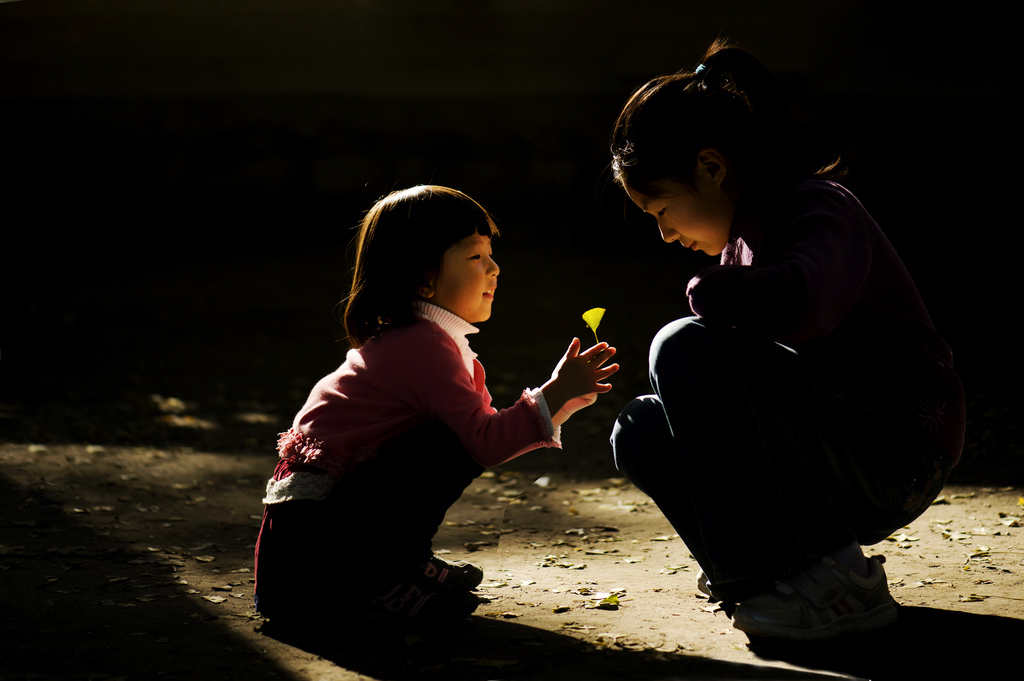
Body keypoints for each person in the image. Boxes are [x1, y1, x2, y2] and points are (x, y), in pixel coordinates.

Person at [608, 40, 964, 641]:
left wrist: (713, 293)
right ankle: (766, 577)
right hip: (823, 449)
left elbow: (808, 302)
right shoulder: (740, 244)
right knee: (640, 427)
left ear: (712, 168)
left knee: (681, 344)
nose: (665, 234)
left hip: (896, 447)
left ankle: (840, 579)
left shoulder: (818, 208)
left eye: (662, 210)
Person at [254, 185, 618, 628]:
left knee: (448, 441)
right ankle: (378, 581)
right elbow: (483, 443)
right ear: (424, 278)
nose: (495, 269)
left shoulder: (428, 340)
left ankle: (401, 562)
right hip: (317, 539)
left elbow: (489, 437)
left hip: (320, 531)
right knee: (444, 445)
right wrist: (554, 394)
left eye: (490, 254)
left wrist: (562, 399)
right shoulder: (424, 345)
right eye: (475, 257)